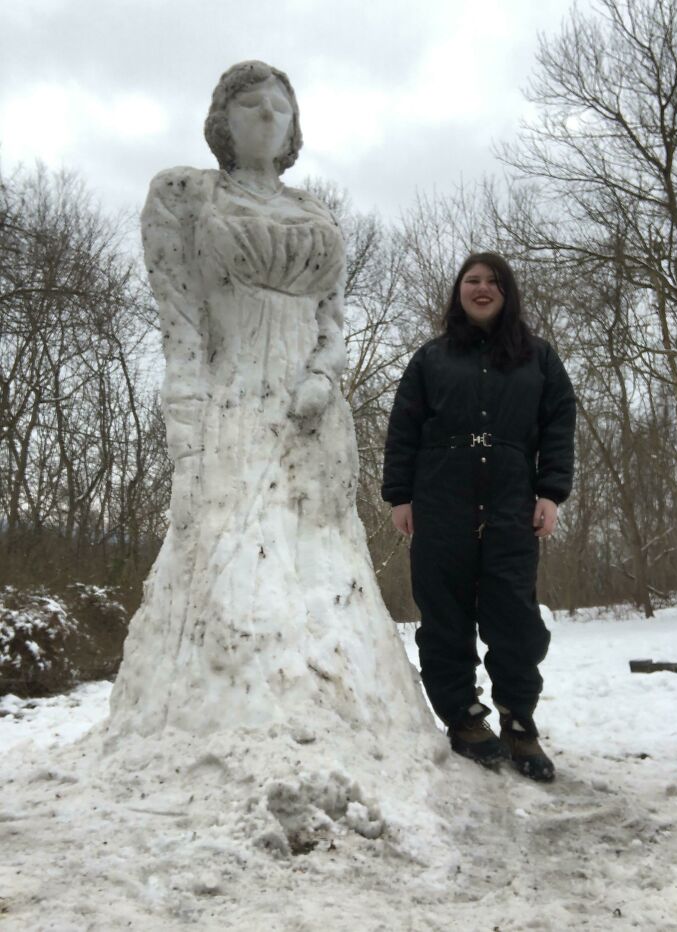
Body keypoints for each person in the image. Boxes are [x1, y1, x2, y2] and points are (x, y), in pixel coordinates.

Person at [109, 60, 429, 737]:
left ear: (294, 126)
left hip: (313, 411)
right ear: (221, 121)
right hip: (235, 401)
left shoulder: (314, 210)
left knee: (322, 564)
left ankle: (349, 720)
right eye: (250, 104)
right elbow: (182, 326)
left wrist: (324, 376)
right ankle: (226, 726)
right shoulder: (189, 197)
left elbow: (334, 319)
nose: (266, 115)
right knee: (234, 557)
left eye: (280, 106)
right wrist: (186, 424)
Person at [382, 253, 576, 781]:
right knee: (443, 614)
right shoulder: (431, 359)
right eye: (472, 280)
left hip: (512, 503)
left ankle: (519, 721)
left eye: (493, 281)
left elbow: (559, 426)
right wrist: (401, 496)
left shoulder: (539, 359)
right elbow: (404, 429)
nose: (482, 288)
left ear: (507, 292)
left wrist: (551, 493)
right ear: (458, 292)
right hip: (440, 501)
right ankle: (465, 717)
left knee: (515, 616)